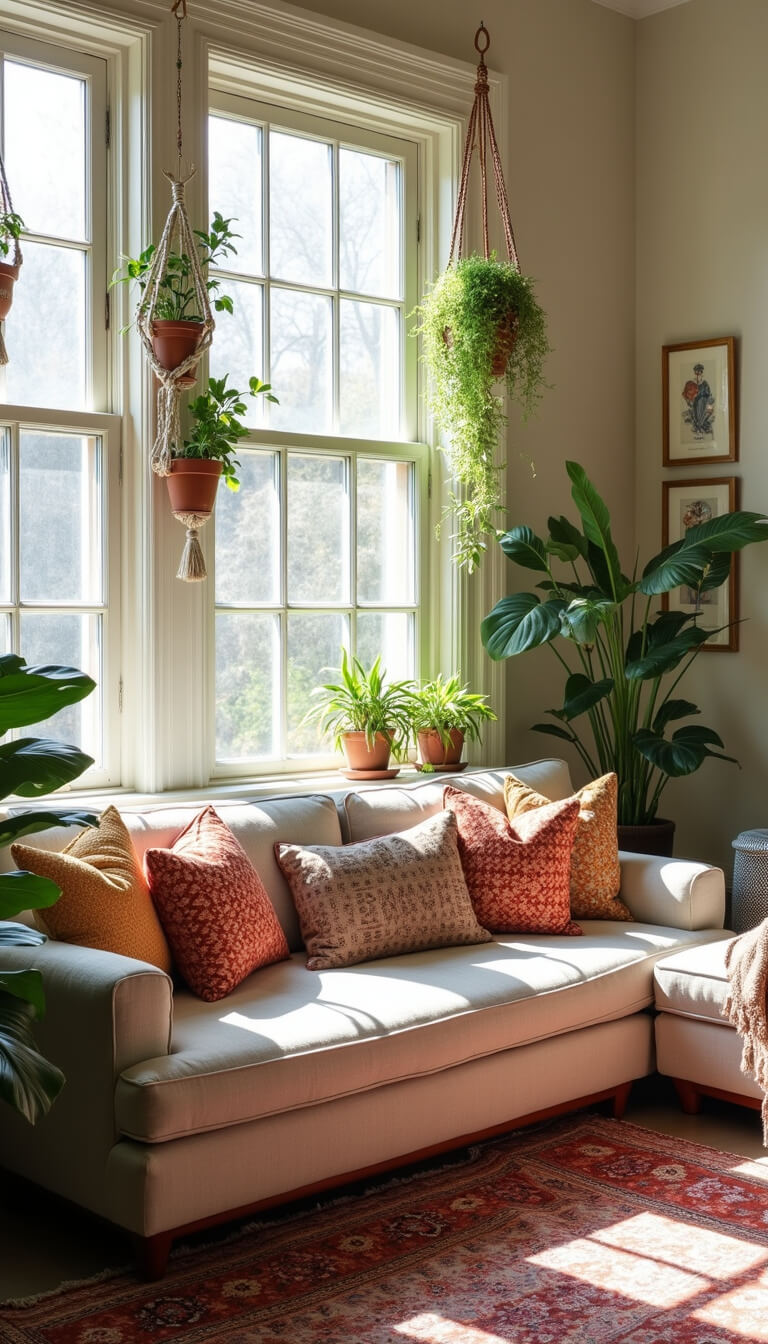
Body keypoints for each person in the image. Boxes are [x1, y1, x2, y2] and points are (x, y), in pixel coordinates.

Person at [685, 362, 715, 437]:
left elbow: (709, 395)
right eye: (696, 373)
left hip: (704, 403)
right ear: (695, 373)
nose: (698, 374)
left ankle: (699, 427)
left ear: (702, 373)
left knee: (706, 407)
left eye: (699, 372)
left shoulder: (705, 383)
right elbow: (687, 395)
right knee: (698, 405)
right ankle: (699, 427)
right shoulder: (692, 383)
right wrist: (689, 400)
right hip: (696, 403)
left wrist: (709, 403)